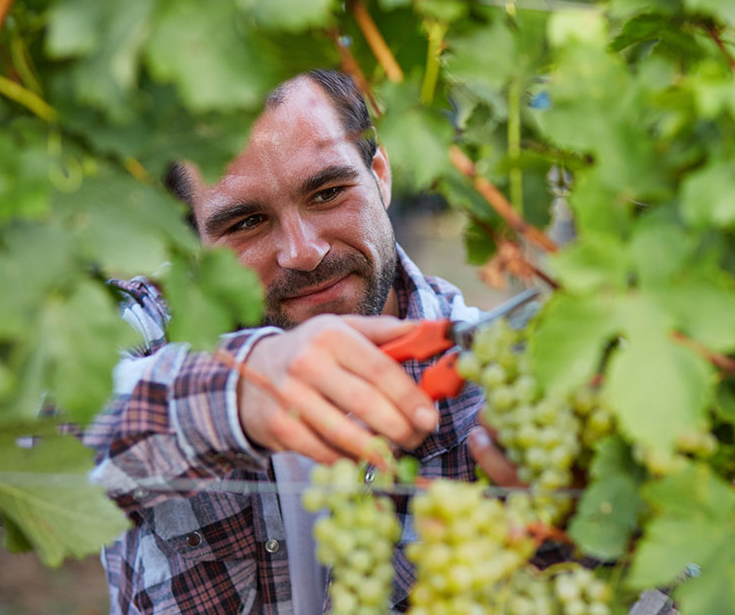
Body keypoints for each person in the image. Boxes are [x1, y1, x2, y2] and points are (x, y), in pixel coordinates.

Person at [83, 69, 519, 613]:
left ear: (379, 174)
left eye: (328, 191)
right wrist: (235, 395)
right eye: (245, 222)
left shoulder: (494, 379)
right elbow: (23, 431)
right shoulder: (147, 325)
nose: (303, 251)